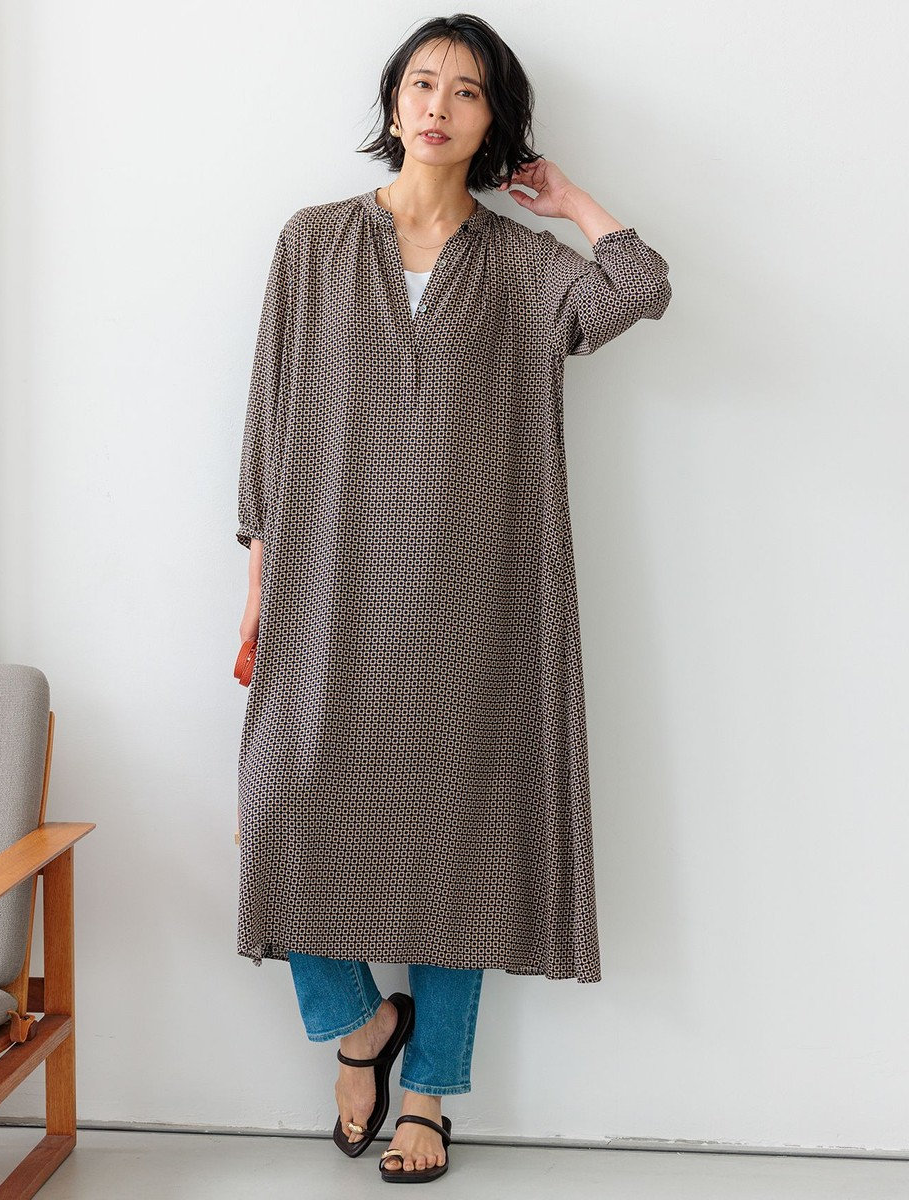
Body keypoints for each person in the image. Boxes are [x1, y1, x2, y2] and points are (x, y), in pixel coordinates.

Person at [235, 13, 673, 1184]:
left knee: (460, 840)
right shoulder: (313, 242)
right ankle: (360, 1026)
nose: (437, 105)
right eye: (422, 83)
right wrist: (258, 584)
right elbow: (271, 418)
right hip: (328, 584)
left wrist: (567, 198)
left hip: (478, 599)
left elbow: (640, 286)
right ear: (393, 102)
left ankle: (426, 1096)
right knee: (279, 804)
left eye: (467, 91)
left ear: (493, 120)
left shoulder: (524, 268)